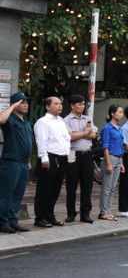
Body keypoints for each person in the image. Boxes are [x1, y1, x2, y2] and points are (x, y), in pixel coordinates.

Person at [33, 96, 71, 227]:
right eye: (56, 104)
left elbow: (67, 139)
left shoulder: (61, 121)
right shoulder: (43, 122)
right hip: (49, 157)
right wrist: (44, 158)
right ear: (48, 106)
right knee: (44, 189)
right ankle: (40, 217)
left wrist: (69, 156)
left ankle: (50, 215)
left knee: (55, 189)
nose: (59, 106)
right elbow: (41, 141)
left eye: (60, 104)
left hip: (61, 157)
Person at [0, 93, 33, 233]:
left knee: (18, 194)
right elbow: (1, 119)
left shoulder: (26, 121)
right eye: (22, 103)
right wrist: (12, 106)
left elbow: (27, 142)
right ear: (14, 105)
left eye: (26, 103)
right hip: (11, 162)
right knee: (6, 193)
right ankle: (2, 221)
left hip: (24, 162)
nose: (25, 105)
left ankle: (13, 220)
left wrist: (29, 160)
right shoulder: (10, 119)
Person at [63, 94, 97, 223]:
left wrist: (81, 134)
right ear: (72, 105)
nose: (82, 107)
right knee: (71, 184)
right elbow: (69, 137)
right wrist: (84, 134)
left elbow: (93, 134)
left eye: (83, 104)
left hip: (87, 152)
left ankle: (85, 213)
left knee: (87, 184)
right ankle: (71, 213)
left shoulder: (87, 118)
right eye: (79, 104)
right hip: (72, 153)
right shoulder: (66, 120)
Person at [98, 104, 125, 221]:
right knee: (107, 187)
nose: (121, 114)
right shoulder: (107, 128)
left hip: (119, 158)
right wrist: (108, 163)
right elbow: (105, 147)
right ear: (112, 114)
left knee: (113, 187)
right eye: (119, 112)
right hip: (111, 157)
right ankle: (103, 212)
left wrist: (122, 163)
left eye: (122, 112)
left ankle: (108, 211)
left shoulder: (120, 128)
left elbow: (121, 146)